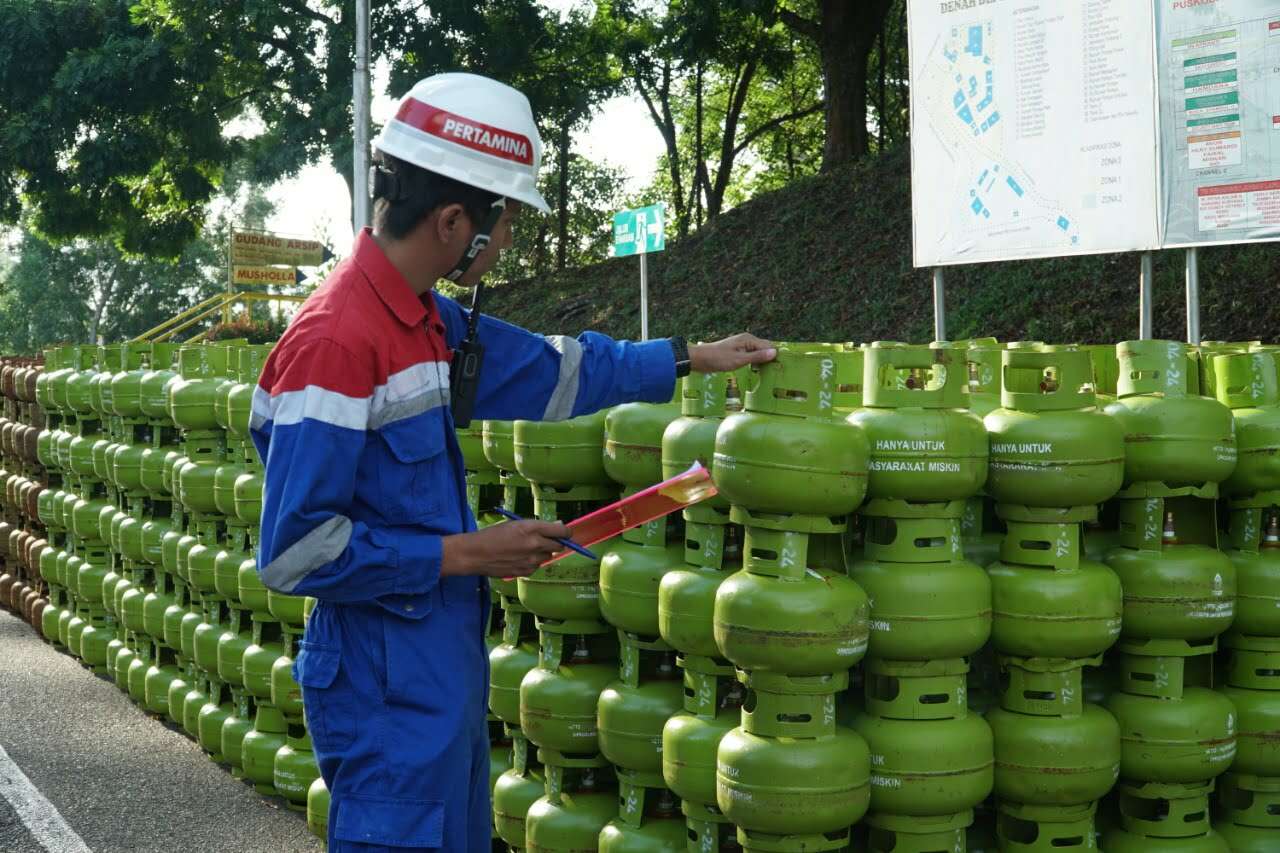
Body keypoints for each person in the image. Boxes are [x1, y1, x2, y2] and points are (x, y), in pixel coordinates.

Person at [250, 72, 777, 852]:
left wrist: (690, 357)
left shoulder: (425, 322)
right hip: (380, 678)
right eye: (506, 223)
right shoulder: (337, 340)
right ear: (456, 219)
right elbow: (294, 551)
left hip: (434, 660)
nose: (508, 242)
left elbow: (556, 370)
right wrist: (470, 553)